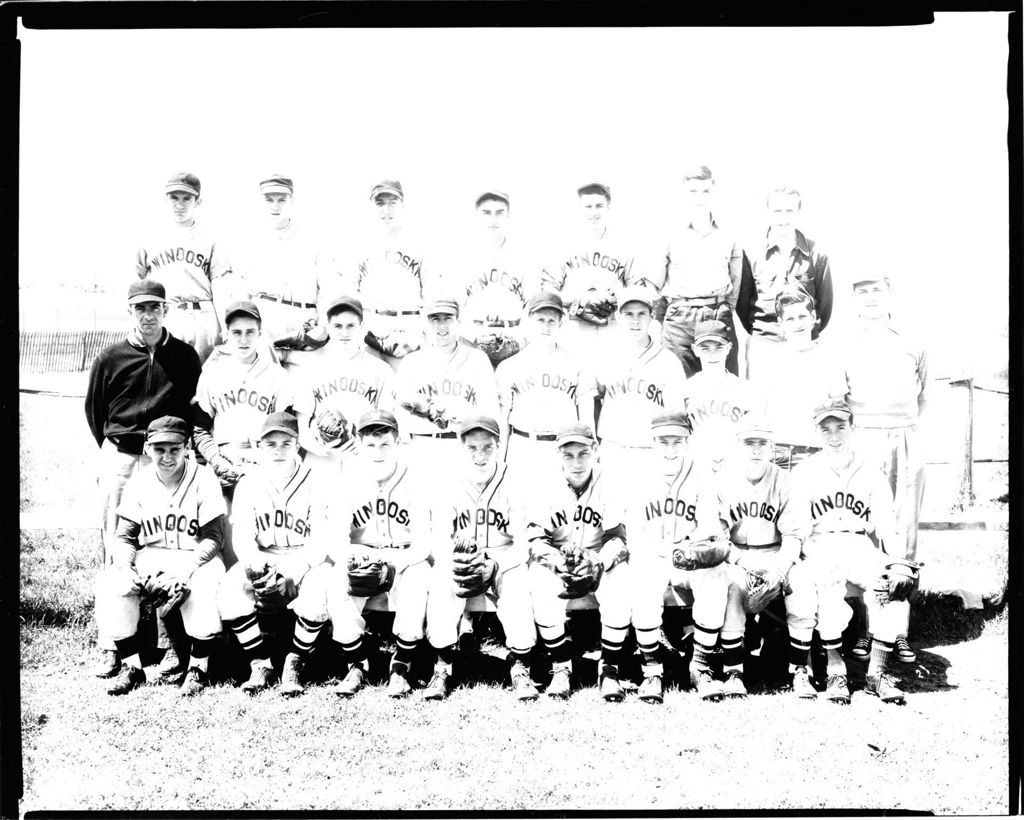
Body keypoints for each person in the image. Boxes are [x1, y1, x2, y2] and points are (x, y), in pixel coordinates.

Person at [85, 278, 202, 680]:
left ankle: (163, 643)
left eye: (155, 307)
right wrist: (118, 449)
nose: (148, 315)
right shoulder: (111, 356)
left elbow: (192, 409)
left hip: (164, 457)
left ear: (166, 310)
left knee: (163, 540)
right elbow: (95, 412)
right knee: (116, 543)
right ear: (129, 311)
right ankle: (113, 644)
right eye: (140, 308)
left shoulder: (184, 356)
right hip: (121, 454)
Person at [787, 398, 916, 705]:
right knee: (827, 582)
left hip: (859, 543)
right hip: (820, 542)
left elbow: (886, 524)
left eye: (840, 427)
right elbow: (797, 527)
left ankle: (877, 674)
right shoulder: (805, 471)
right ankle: (835, 669)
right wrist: (799, 556)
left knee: (889, 586)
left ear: (853, 428)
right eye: (826, 429)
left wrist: (898, 562)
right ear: (816, 433)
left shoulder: (870, 470)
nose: (834, 436)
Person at [831, 272, 927, 664]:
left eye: (877, 290)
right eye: (862, 291)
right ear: (854, 299)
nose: (870, 298)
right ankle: (867, 632)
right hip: (864, 436)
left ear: (890, 294)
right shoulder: (845, 343)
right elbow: (840, 396)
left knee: (903, 532)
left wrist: (910, 438)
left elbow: (926, 397)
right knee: (868, 532)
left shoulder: (912, 339)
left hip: (904, 436)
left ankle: (899, 632)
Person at [93, 416, 226, 696]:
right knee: (112, 584)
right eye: (159, 449)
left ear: (187, 447)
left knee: (201, 586)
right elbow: (126, 537)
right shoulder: (139, 481)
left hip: (195, 555)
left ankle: (198, 668)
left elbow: (214, 537)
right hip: (152, 554)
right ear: (147, 449)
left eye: (174, 449)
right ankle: (132, 666)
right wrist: (127, 567)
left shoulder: (203, 478)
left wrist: (187, 570)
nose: (166, 457)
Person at [423, 415, 539, 701]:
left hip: (503, 556)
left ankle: (520, 665)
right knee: (441, 583)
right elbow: (438, 537)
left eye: (487, 447)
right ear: (461, 448)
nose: (479, 455)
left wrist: (498, 564)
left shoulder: (514, 480)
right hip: (460, 557)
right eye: (472, 448)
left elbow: (523, 544)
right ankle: (442, 664)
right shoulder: (447, 481)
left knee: (517, 586)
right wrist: (457, 562)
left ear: (498, 446)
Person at [217, 412, 334, 695]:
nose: (279, 450)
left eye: (286, 442)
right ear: (260, 447)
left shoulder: (316, 479)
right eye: (271, 444)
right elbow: (243, 537)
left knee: (318, 595)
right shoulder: (249, 483)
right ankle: (260, 663)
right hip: (265, 556)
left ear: (298, 445)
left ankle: (295, 662)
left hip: (306, 558)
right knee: (229, 592)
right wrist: (258, 568)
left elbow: (321, 540)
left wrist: (295, 570)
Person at [323, 410, 433, 698]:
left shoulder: (417, 477)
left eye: (385, 443)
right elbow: (335, 540)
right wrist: (354, 557)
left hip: (405, 558)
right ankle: (358, 663)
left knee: (417, 584)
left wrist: (394, 564)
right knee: (337, 586)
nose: (378, 452)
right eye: (370, 445)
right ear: (359, 445)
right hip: (362, 556)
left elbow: (423, 543)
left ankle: (401, 667)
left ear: (397, 442)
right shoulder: (347, 478)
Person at [626, 411, 733, 703]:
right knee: (643, 582)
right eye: (664, 442)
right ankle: (651, 671)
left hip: (689, 555)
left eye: (678, 441)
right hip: (653, 554)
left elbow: (709, 525)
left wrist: (696, 549)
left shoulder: (701, 474)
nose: (671, 449)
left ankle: (700, 665)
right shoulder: (638, 475)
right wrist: (653, 554)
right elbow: (633, 532)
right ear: (652, 442)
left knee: (716, 575)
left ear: (688, 442)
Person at [524, 423, 632, 701]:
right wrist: (555, 562)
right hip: (558, 558)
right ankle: (561, 666)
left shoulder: (610, 481)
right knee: (539, 582)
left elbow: (619, 539)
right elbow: (535, 539)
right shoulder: (543, 484)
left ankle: (609, 669)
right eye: (568, 455)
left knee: (619, 585)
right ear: (558, 456)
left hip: (597, 557)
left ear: (595, 451)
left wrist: (599, 563)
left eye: (583, 453)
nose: (576, 462)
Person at [717, 416, 816, 699]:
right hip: (737, 556)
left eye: (762, 443)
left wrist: (780, 570)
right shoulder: (723, 480)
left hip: (776, 553)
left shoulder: (785, 481)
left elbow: (794, 536)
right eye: (749, 443)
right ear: (738, 446)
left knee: (803, 589)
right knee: (733, 588)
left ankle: (799, 670)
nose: (756, 449)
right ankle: (733, 671)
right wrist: (742, 563)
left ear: (771, 448)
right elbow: (720, 539)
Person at [191, 300, 292, 567]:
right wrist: (216, 461)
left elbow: (286, 432)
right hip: (223, 462)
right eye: (237, 332)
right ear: (226, 335)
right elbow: (200, 430)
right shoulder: (212, 374)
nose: (244, 339)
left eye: (250, 331)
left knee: (262, 537)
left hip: (263, 465)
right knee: (224, 533)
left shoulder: (277, 376)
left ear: (260, 333)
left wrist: (264, 464)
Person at [232, 174, 340, 370]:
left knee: (305, 391)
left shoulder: (313, 237)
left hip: (303, 320)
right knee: (265, 387)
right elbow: (240, 289)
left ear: (292, 201)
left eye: (282, 199)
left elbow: (328, 287)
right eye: (269, 200)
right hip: (265, 320)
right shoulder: (249, 239)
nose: (276, 206)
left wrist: (323, 326)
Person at [644, 164, 743, 377]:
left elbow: (736, 281)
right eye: (693, 191)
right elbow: (652, 286)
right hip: (680, 320)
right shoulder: (667, 231)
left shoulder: (728, 232)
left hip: (718, 314)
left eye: (706, 191)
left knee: (724, 384)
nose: (700, 197)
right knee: (679, 385)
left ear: (714, 191)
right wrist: (665, 319)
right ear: (684, 193)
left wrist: (724, 310)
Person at [577, 285, 686, 479]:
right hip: (613, 450)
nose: (635, 320)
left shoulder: (669, 361)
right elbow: (586, 397)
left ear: (651, 316)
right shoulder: (604, 355)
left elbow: (676, 417)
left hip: (650, 453)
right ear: (618, 317)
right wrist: (591, 443)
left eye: (641, 314)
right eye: (628, 314)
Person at [393, 296, 498, 484]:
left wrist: (454, 417)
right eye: (436, 319)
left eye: (448, 318)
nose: (442, 327)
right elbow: (402, 417)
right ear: (426, 324)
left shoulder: (477, 360)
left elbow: (490, 413)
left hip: (462, 448)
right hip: (422, 448)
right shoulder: (411, 362)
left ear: (458, 322)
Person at [538, 182, 645, 359]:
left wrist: (614, 297)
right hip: (574, 328)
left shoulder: (625, 245)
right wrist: (579, 300)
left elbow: (638, 292)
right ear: (579, 208)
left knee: (612, 381)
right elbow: (548, 293)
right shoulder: (561, 245)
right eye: (588, 206)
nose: (594, 212)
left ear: (608, 208)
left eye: (599, 206)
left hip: (612, 326)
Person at [291, 295, 395, 475]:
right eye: (338, 326)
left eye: (351, 326)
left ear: (361, 327)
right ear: (328, 327)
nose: (344, 333)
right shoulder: (310, 370)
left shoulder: (381, 370)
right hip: (321, 463)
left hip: (363, 461)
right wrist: (320, 449)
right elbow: (300, 426)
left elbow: (388, 426)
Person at [736, 185, 834, 378]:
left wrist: (805, 334)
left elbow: (825, 305)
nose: (783, 217)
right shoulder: (750, 253)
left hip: (805, 345)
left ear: (799, 213)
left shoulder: (817, 253)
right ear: (768, 213)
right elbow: (742, 304)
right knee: (762, 405)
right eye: (777, 211)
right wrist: (766, 333)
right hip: (764, 346)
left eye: (789, 211)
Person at [135, 172, 233, 363]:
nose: (180, 205)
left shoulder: (211, 238)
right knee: (166, 380)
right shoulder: (149, 237)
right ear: (165, 199)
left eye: (187, 198)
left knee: (205, 380)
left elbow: (220, 285)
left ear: (198, 202)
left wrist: (225, 325)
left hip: (204, 315)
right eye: (174, 198)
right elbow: (138, 284)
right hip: (166, 314)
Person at [495, 291, 587, 489]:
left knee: (561, 513)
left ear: (561, 323)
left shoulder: (576, 364)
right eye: (540, 320)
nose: (546, 326)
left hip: (562, 449)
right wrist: (500, 464)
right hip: (523, 446)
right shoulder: (510, 366)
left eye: (552, 321)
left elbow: (586, 421)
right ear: (529, 321)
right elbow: (503, 422)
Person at [748, 285, 836, 471]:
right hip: (778, 453)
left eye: (802, 316)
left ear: (812, 318)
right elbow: (759, 413)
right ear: (781, 323)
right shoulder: (768, 362)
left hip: (818, 452)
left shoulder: (829, 358)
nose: (797, 324)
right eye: (790, 318)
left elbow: (838, 408)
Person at [348, 179, 431, 371]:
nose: (387, 209)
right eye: (380, 203)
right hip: (370, 331)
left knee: (406, 396)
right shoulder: (358, 245)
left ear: (403, 205)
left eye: (392, 202)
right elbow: (350, 294)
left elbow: (433, 295)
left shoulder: (420, 243)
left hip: (407, 330)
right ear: (371, 206)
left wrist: (418, 337)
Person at [451, 191, 531, 368]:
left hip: (514, 342)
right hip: (473, 340)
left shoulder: (524, 256)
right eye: (486, 213)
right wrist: (473, 338)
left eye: (499, 212)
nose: (493, 219)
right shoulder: (462, 256)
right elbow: (454, 307)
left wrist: (520, 339)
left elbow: (532, 308)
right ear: (477, 216)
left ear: (508, 215)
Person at [681, 319, 765, 472]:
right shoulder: (685, 390)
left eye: (718, 347)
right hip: (696, 470)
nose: (712, 354)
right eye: (705, 348)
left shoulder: (746, 391)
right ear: (695, 349)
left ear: (728, 347)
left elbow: (754, 438)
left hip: (735, 470)